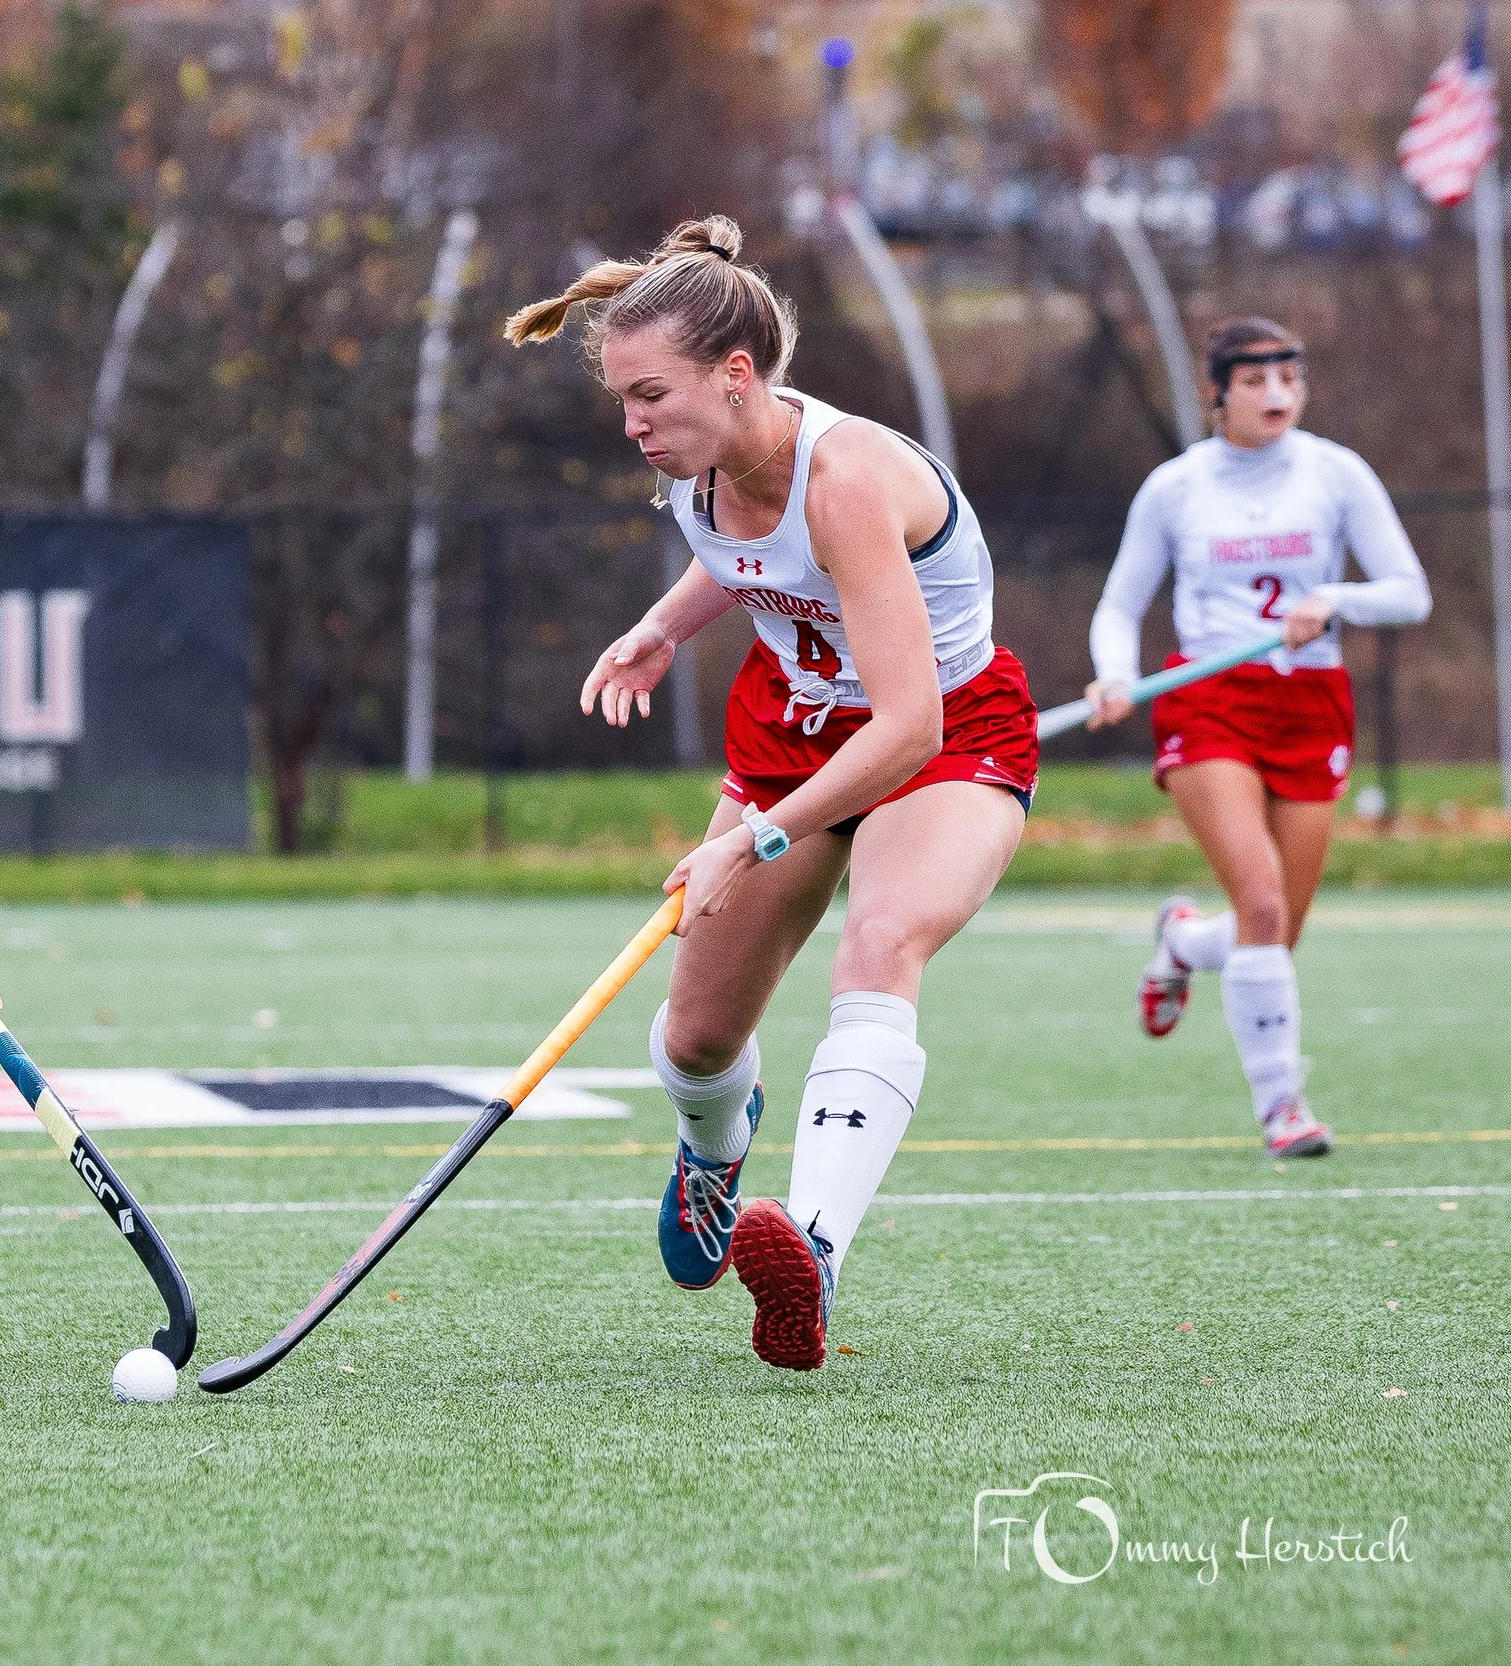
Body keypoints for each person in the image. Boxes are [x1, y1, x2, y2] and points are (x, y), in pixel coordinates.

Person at [507, 216, 1038, 1372]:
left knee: (880, 943)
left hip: (937, 734)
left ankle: (809, 1250)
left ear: (736, 375)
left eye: (651, 395)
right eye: (621, 399)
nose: (633, 423)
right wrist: (658, 628)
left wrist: (749, 839)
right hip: (788, 736)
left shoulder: (845, 481)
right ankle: (715, 1144)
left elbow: (905, 727)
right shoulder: (703, 465)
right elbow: (740, 555)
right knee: (696, 1040)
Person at [1084, 317, 1430, 1159]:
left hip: (1311, 703)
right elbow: (1120, 606)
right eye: (1256, 380)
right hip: (1209, 698)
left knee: (1271, 928)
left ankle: (1181, 941)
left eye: (1290, 377)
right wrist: (1113, 672)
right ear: (1217, 393)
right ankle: (1284, 1108)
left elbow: (1409, 593)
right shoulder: (1176, 487)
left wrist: (1336, 602)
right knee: (1264, 903)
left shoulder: (1337, 473)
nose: (1277, 394)